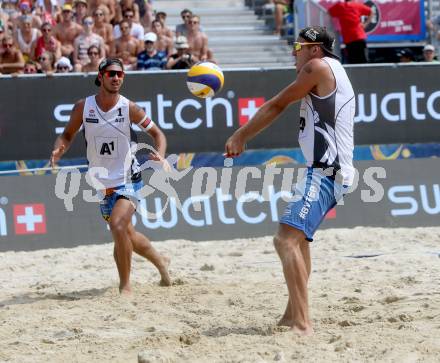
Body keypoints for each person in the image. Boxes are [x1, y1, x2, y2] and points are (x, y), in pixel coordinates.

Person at [225, 26, 355, 335]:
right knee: (298, 241)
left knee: (285, 239)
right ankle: (291, 315)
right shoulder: (330, 69)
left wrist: (240, 135)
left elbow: (276, 104)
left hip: (327, 170)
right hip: (324, 168)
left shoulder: (317, 66)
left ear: (314, 49)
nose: (293, 52)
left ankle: (302, 324)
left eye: (298, 46)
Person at [49, 58, 172, 294]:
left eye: (120, 74)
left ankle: (125, 286)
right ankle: (161, 262)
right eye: (111, 74)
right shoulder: (83, 107)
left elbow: (159, 134)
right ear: (101, 76)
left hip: (129, 177)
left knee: (118, 225)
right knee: (127, 234)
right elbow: (66, 135)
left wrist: (161, 155)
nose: (116, 78)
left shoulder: (129, 108)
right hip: (102, 182)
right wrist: (59, 149)